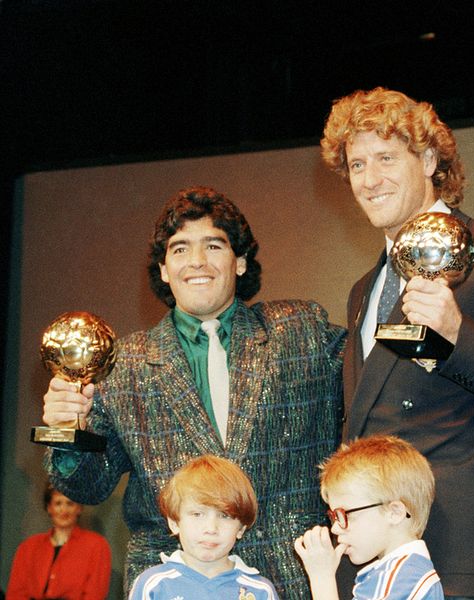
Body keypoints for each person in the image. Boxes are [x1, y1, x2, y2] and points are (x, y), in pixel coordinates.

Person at [320, 87, 474, 599]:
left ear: (430, 159)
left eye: (386, 158)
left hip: (463, 560)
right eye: (357, 165)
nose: (369, 179)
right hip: (374, 565)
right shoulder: (364, 290)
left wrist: (458, 337)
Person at [42, 186, 345, 599]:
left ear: (239, 262)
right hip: (170, 585)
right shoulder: (124, 364)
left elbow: (379, 386)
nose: (197, 262)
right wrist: (65, 430)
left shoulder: (300, 330)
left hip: (292, 577)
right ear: (164, 269)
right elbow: (88, 487)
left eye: (214, 245)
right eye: (180, 249)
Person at [295, 435, 443, 600]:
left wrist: (321, 577)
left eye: (345, 514)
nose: (335, 528)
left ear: (394, 513)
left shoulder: (401, 580)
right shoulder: (402, 574)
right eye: (334, 516)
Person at [129, 454, 279, 599]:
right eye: (197, 514)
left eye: (224, 516)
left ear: (241, 529)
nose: (211, 528)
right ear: (174, 523)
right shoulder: (153, 585)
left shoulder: (261, 591)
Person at [6, 484, 111, 600]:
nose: (63, 510)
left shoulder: (96, 545)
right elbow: (15, 594)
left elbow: (95, 595)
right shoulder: (27, 548)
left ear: (79, 508)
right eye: (58, 503)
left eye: (70, 504)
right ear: (49, 508)